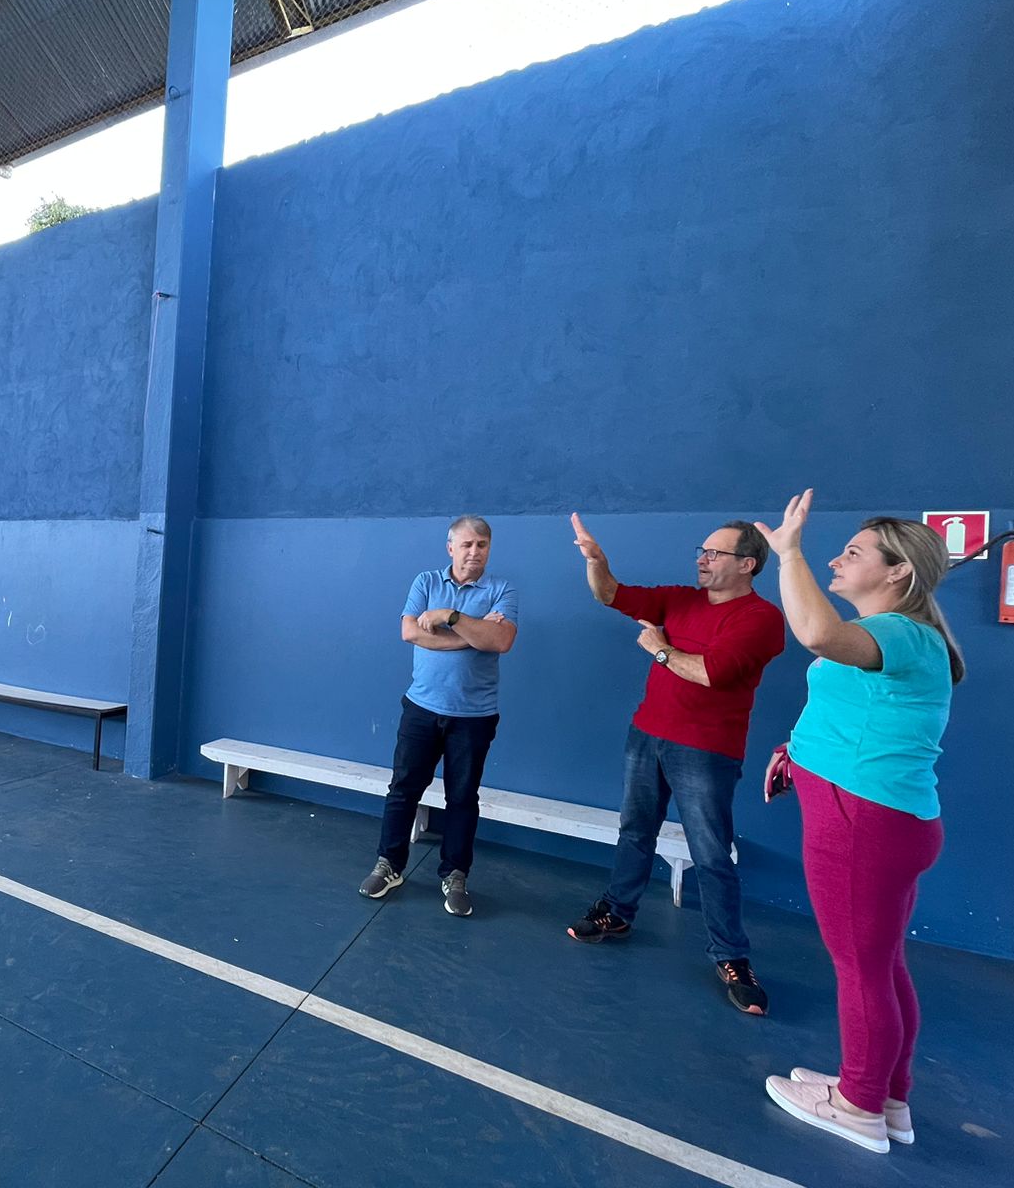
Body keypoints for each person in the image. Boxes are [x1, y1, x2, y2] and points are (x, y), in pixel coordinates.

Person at [756, 491, 962, 1155]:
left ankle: (858, 1106)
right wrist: (796, 754)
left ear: (897, 572)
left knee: (860, 969)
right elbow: (857, 712)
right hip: (882, 818)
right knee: (881, 962)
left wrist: (789, 554)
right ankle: (885, 1094)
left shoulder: (899, 632)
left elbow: (814, 633)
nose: (838, 559)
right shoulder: (901, 640)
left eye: (855, 553)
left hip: (861, 825)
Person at [565, 513, 786, 1015]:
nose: (702, 560)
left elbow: (713, 674)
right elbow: (610, 595)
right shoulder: (679, 599)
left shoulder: (760, 619)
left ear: (748, 564)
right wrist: (597, 563)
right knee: (635, 831)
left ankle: (731, 956)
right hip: (647, 736)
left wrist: (661, 651)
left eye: (715, 553)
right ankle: (617, 914)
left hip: (706, 751)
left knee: (710, 855)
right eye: (702, 551)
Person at [358, 515, 517, 917]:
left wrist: (451, 617)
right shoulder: (425, 582)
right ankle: (390, 864)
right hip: (421, 709)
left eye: (482, 544)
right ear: (450, 548)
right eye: (466, 544)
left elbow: (501, 640)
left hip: (475, 716)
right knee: (403, 789)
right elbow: (410, 632)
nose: (474, 552)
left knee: (462, 798)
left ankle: (455, 875)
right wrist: (473, 637)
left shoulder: (502, 589)